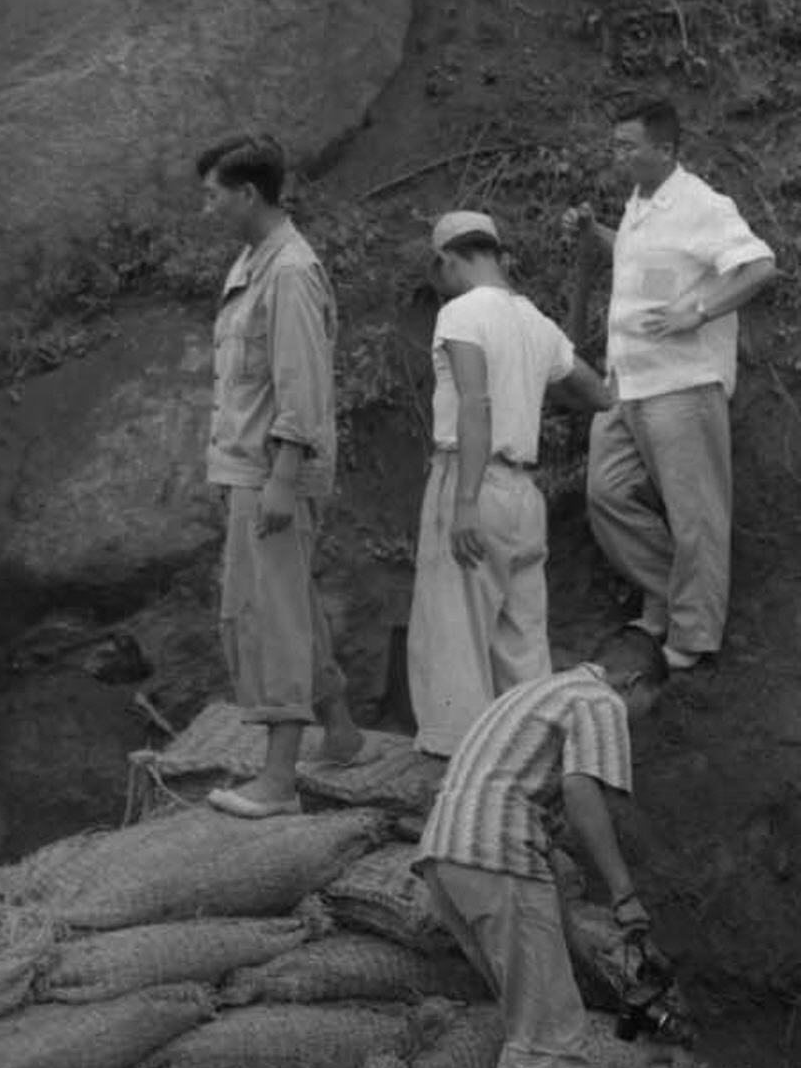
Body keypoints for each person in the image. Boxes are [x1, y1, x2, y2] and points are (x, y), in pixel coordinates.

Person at [415, 629, 668, 1068]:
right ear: (634, 682)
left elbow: (518, 795)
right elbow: (579, 791)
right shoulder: (599, 699)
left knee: (529, 1033)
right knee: (554, 1040)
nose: (643, 720)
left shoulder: (532, 692)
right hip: (498, 857)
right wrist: (624, 894)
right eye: (650, 706)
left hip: (445, 860)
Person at [567, 98, 775, 677]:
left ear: (665, 149)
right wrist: (595, 232)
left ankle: (694, 635)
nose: (618, 155)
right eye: (616, 145)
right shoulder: (640, 206)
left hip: (683, 384)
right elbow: (642, 261)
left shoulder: (703, 205)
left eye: (627, 145)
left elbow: (760, 267)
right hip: (627, 382)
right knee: (605, 494)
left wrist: (699, 312)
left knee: (696, 513)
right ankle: (668, 591)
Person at [196, 132, 369, 818]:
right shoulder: (254, 261)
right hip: (251, 464)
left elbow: (301, 383)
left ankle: (277, 779)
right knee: (287, 598)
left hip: (274, 469)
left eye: (213, 194)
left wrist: (281, 476)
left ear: (247, 192)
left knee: (270, 616)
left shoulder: (291, 270)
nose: (205, 207)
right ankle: (344, 729)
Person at [409, 212, 614, 757]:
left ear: (448, 259)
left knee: (456, 637)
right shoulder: (535, 322)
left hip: (471, 478)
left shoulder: (461, 314)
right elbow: (597, 392)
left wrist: (466, 501)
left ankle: (453, 779)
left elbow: (475, 403)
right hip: (526, 491)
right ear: (497, 253)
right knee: (522, 642)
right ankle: (533, 763)